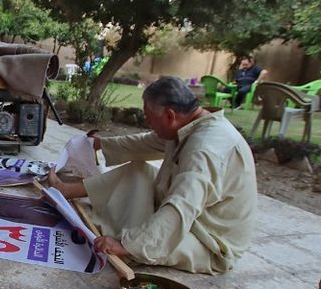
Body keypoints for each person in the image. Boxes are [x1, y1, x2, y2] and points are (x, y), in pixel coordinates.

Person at [47, 76, 257, 274]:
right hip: (193, 215)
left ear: (170, 115)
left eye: (149, 117)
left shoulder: (203, 149)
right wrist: (101, 143)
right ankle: (67, 191)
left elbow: (182, 206)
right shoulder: (190, 124)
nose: (148, 123)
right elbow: (146, 142)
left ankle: (131, 241)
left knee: (143, 246)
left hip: (208, 241)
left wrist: (126, 245)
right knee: (137, 170)